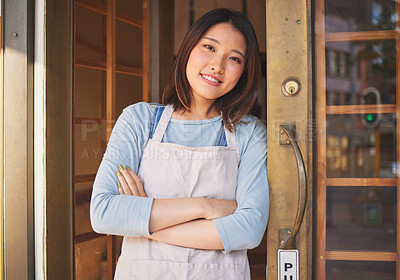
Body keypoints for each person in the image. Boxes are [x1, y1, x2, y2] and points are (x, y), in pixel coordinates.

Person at [90, 8, 269, 280]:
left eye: (234, 58)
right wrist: (205, 207)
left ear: (244, 71)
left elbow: (248, 229)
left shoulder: (249, 133)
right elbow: (104, 213)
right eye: (209, 47)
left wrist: (145, 222)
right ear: (188, 49)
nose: (217, 66)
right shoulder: (139, 119)